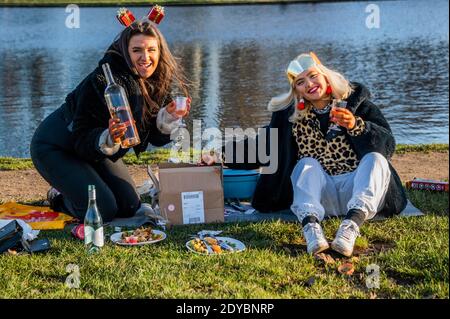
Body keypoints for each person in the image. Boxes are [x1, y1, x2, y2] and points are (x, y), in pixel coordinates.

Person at [202, 52, 407, 257]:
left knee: (376, 159)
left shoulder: (358, 106)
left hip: (357, 189)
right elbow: (262, 146)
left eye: (313, 76)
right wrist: (220, 156)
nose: (309, 84)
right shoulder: (291, 118)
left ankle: (350, 227)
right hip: (321, 196)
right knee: (306, 163)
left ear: (325, 76)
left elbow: (387, 146)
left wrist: (356, 125)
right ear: (297, 91)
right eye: (301, 82)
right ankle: (311, 229)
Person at [30, 15, 190, 223]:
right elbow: (80, 137)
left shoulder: (156, 81)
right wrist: (109, 137)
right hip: (56, 147)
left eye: (152, 50)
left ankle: (80, 183)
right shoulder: (101, 80)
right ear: (125, 52)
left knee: (129, 206)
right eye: (137, 50)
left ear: (160, 51)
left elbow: (154, 137)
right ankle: (59, 196)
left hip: (94, 150)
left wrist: (168, 117)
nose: (145, 57)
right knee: (103, 210)